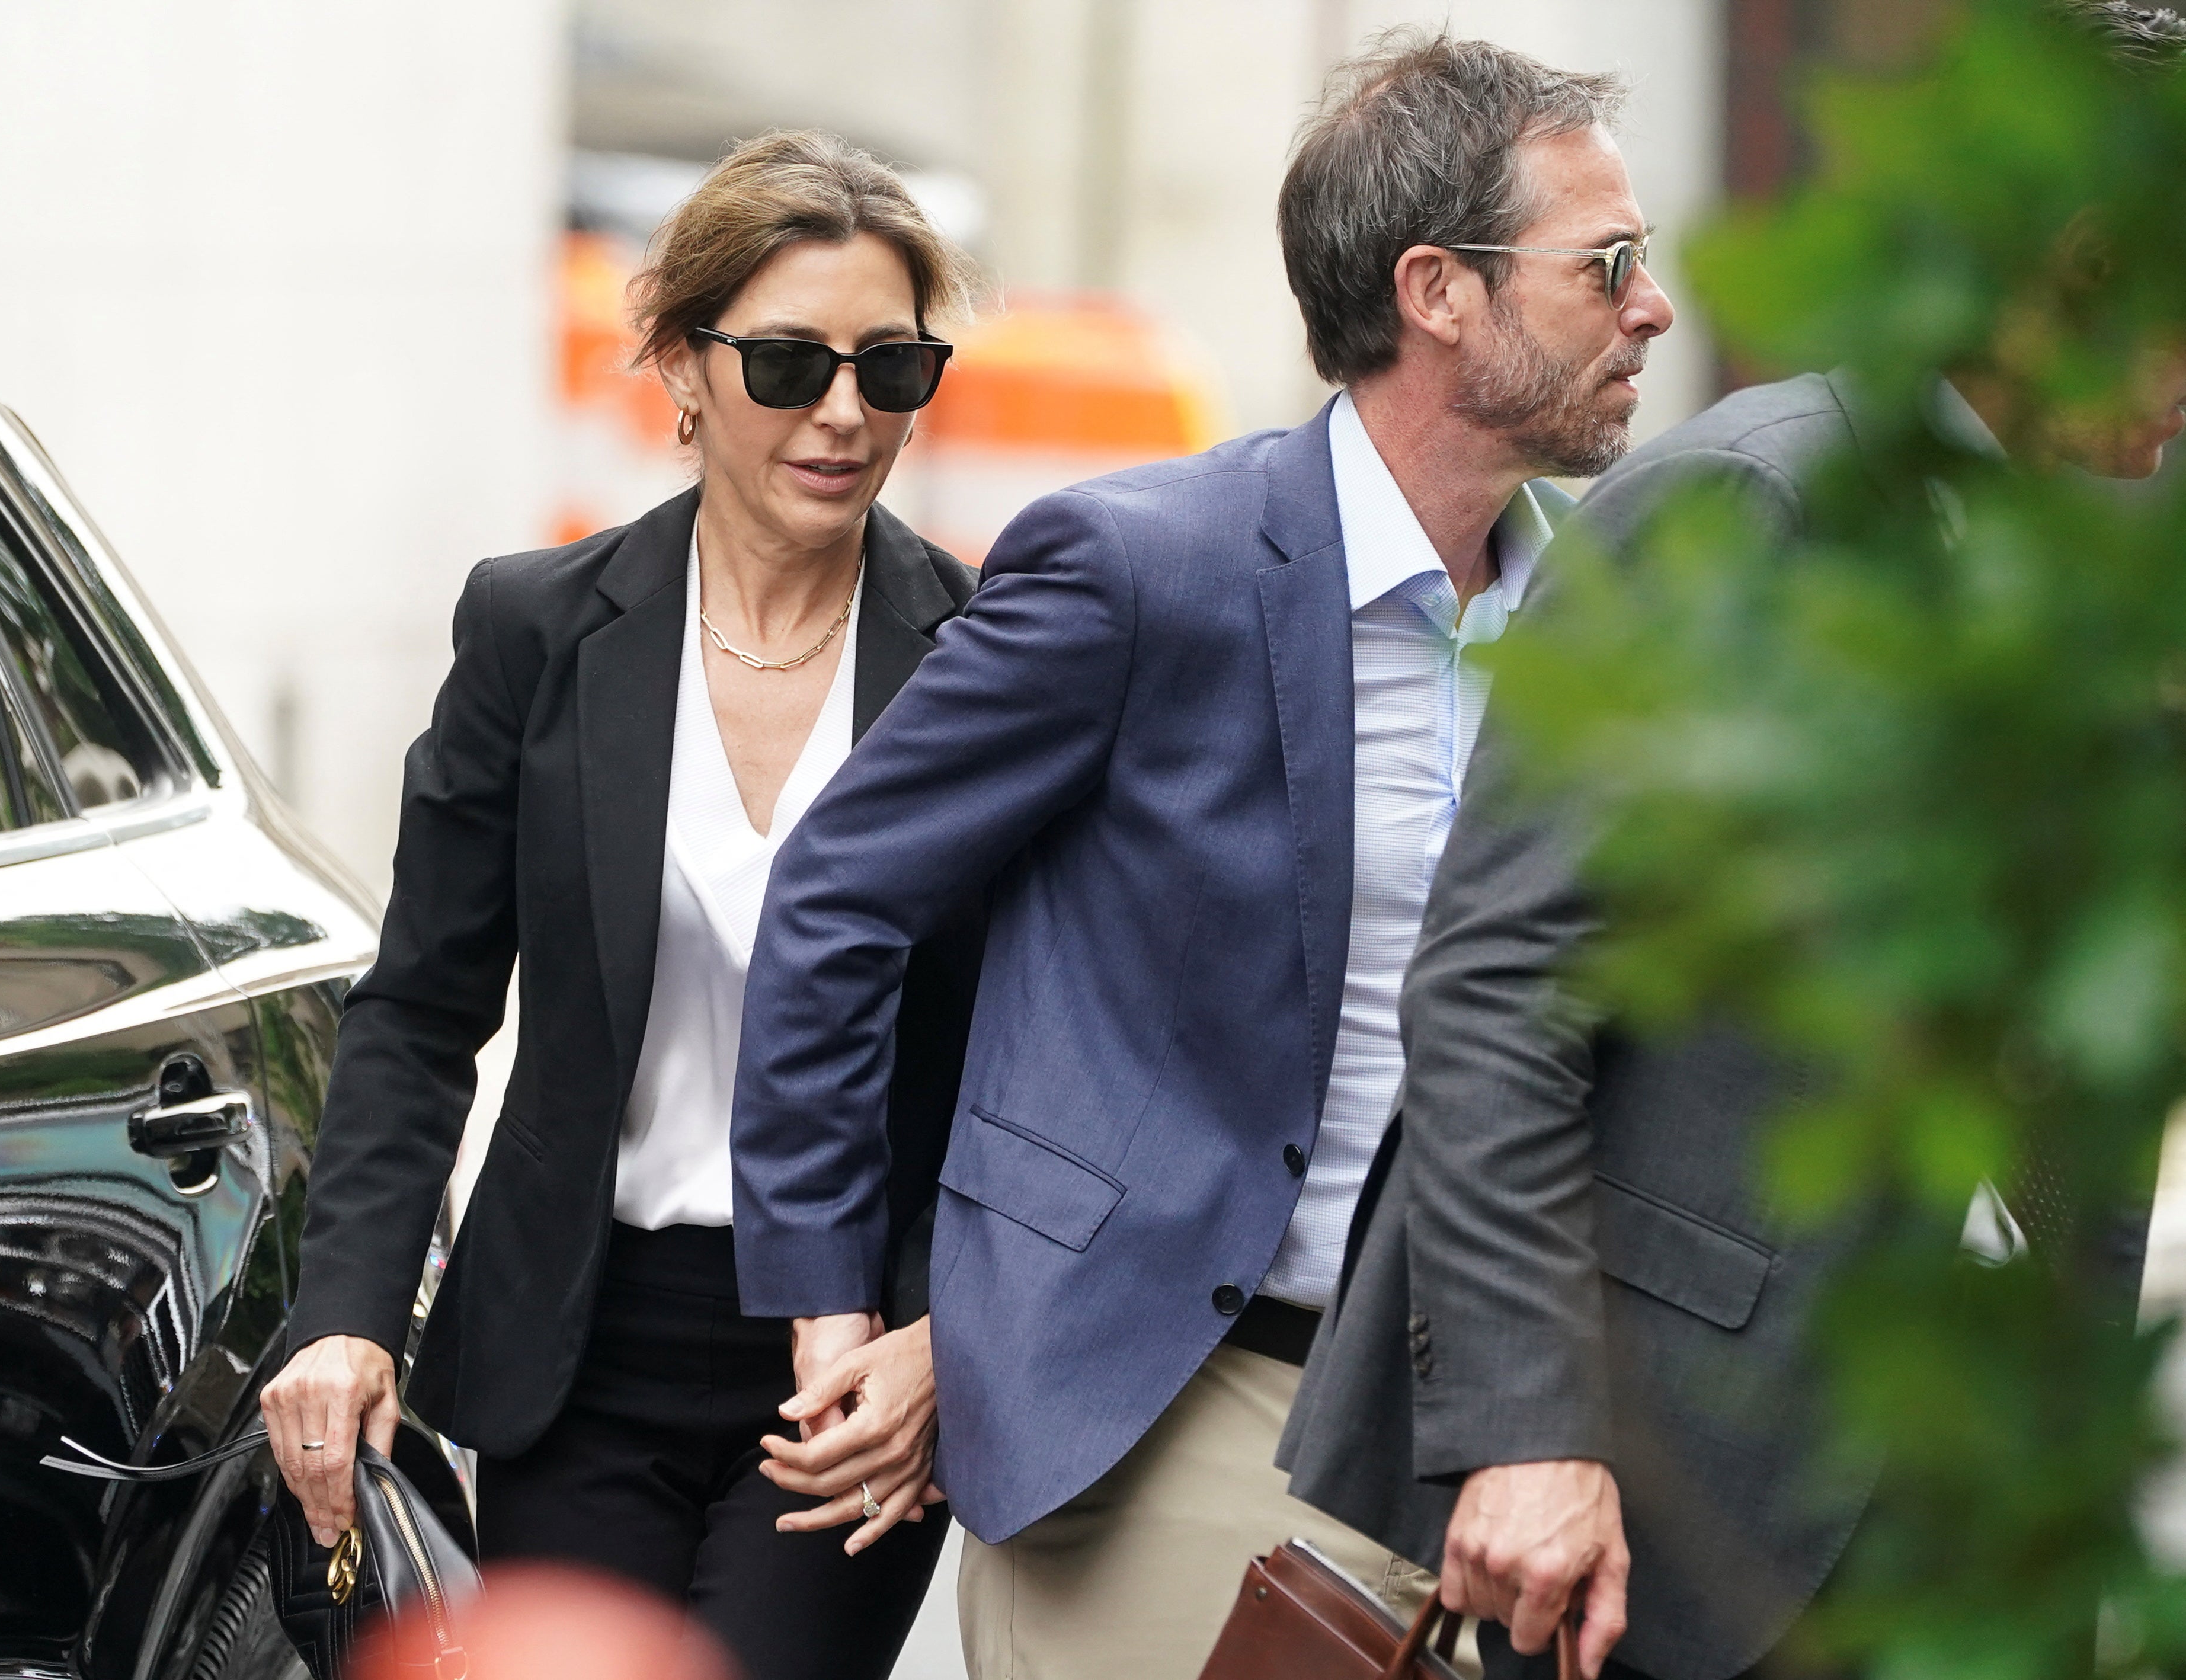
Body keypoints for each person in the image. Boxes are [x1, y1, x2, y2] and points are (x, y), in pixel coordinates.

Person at [728, 32, 1674, 1680]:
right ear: (1436, 291)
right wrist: (843, 1309)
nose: (1649, 307)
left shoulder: (1616, 615)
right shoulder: (1141, 571)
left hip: (1497, 1420)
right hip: (1169, 1405)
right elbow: (840, 893)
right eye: (1606, 266)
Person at [1278, 9, 2186, 1680]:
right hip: (1671, 1508)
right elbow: (1495, 988)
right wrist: (1529, 1432)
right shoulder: (1744, 507)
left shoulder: (2105, 585)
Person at [258, 129, 984, 1680]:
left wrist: (945, 1334)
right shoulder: (536, 632)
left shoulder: (984, 655)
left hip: (848, 1362)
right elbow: (420, 1008)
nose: (846, 412)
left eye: (893, 366)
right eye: (790, 363)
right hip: (577, 1347)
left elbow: (1041, 1051)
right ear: (681, 361)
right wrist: (349, 1312)